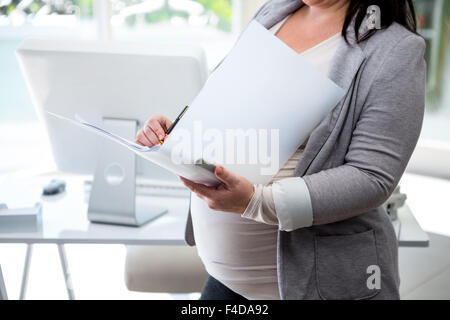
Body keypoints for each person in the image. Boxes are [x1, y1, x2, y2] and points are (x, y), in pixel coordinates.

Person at [136, 0, 425, 300]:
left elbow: (370, 177)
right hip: (225, 283)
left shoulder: (395, 49)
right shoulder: (274, 12)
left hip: (311, 288)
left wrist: (256, 202)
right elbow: (229, 108)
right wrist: (179, 135)